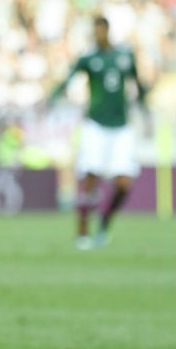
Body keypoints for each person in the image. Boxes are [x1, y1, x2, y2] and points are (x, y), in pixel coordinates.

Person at [49, 15, 149, 250]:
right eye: (94, 31)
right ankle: (82, 230)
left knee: (124, 183)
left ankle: (104, 223)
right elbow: (69, 78)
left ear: (107, 30)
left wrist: (145, 103)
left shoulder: (124, 56)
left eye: (100, 30)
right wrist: (55, 95)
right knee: (91, 177)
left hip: (121, 126)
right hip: (95, 124)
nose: (98, 34)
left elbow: (137, 82)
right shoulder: (88, 58)